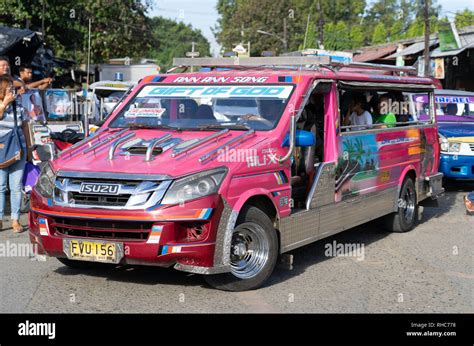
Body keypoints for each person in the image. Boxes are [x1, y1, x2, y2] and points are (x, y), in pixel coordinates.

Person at [0, 75, 29, 233]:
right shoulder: (3, 104)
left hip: (19, 150)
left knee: (16, 186)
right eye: (9, 89)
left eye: (14, 88)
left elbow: (25, 127)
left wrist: (30, 148)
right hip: (1, 151)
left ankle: (15, 220)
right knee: (0, 186)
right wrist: (4, 104)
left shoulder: (19, 106)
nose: (13, 91)